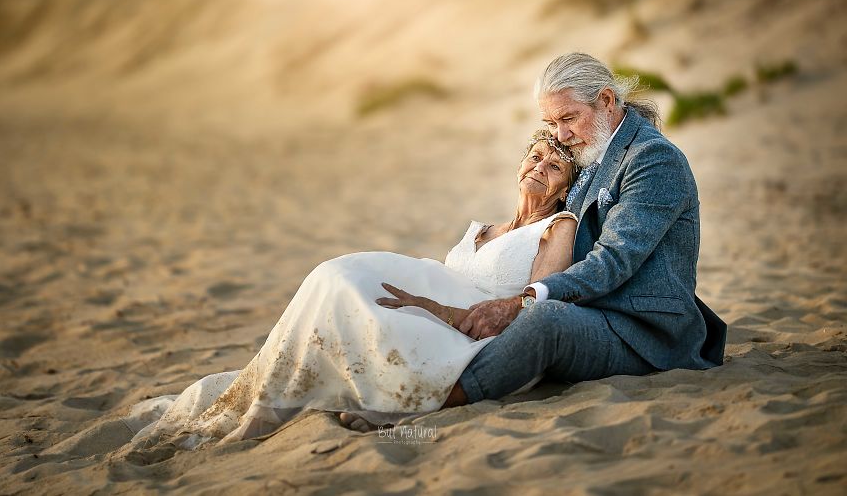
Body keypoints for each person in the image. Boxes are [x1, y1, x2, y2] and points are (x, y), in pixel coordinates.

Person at [124, 129, 579, 448]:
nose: (540, 166)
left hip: (465, 330)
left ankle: (279, 401)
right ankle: (267, 388)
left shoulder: (558, 224)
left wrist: (455, 312)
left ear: (566, 189)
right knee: (330, 279)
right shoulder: (484, 227)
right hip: (426, 309)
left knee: (340, 283)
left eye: (554, 165)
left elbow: (539, 296)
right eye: (535, 155)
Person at [438, 52, 727, 408]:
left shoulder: (653, 159)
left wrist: (521, 300)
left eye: (569, 118)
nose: (561, 134)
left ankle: (435, 398)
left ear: (606, 101)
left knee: (546, 321)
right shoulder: (593, 151)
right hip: (593, 310)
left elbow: (612, 260)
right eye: (551, 122)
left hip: (642, 331)